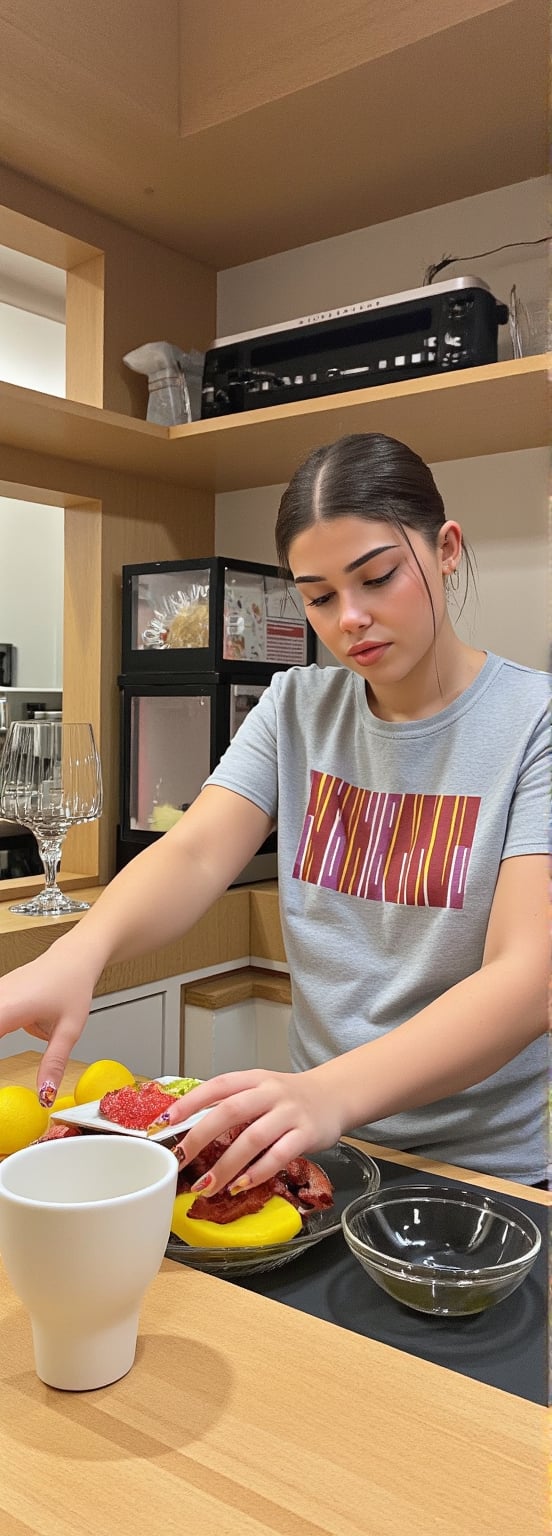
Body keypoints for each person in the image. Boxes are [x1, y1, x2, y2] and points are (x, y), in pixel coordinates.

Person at [0, 434, 548, 1191]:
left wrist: (330, 1092)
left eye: (379, 577)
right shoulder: (294, 708)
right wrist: (75, 955)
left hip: (483, 1174)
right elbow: (192, 854)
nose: (349, 617)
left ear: (446, 549)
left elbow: (528, 978)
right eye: (319, 596)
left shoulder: (535, 724)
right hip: (323, 1150)